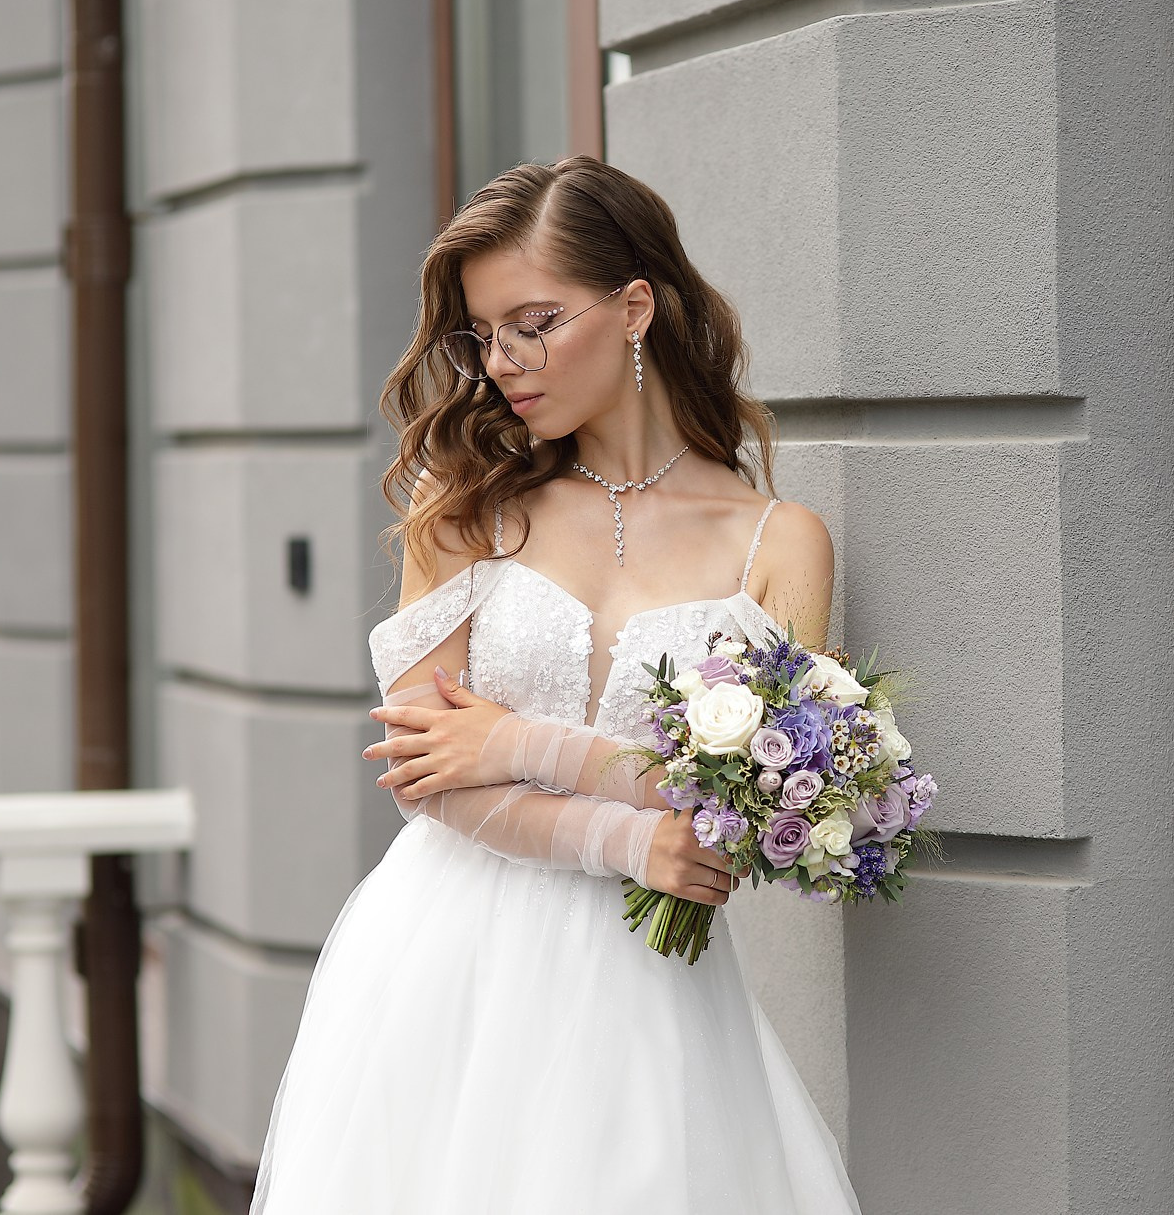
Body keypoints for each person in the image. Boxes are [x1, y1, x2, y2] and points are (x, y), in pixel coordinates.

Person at [249, 157, 860, 1213]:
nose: (502, 364)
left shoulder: (779, 540)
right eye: (482, 335)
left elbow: (760, 803)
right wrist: (624, 829)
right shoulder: (464, 503)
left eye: (532, 322)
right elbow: (421, 772)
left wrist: (513, 742)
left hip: (648, 991)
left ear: (634, 307)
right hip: (444, 967)